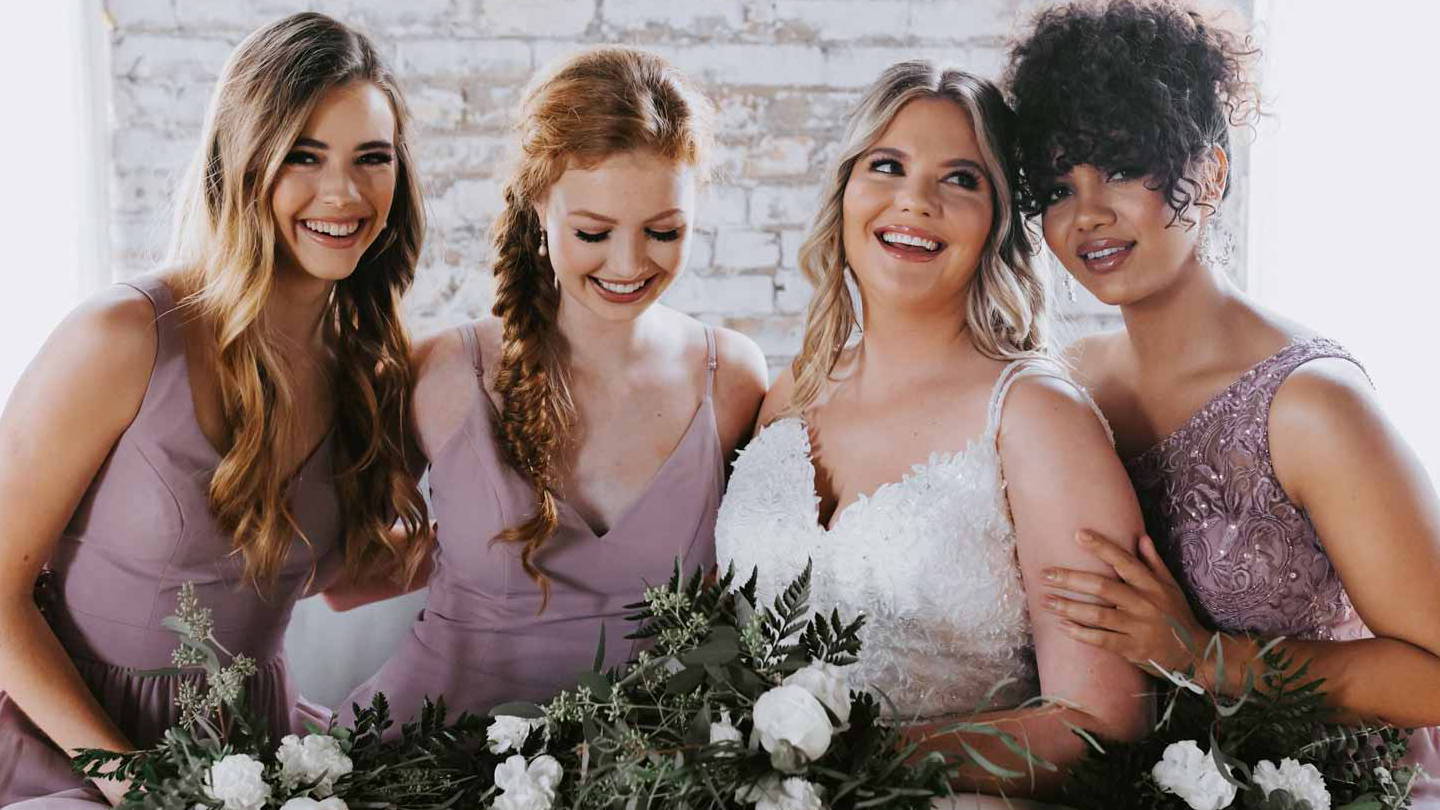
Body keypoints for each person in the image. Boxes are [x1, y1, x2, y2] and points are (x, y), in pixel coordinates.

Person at [1007, 1, 1440, 802]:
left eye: (1121, 168)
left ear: (1209, 174)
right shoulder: (1067, 389)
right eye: (1060, 186)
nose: (1088, 213)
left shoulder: (1310, 406)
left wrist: (1206, 657)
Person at [0, 12, 430, 807]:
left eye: (372, 158)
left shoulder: (370, 372)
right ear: (241, 162)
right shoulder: (124, 336)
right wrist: (134, 787)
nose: (344, 193)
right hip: (67, 748)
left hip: (248, 759)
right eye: (303, 155)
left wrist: (521, 534)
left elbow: (333, 580)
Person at [715, 60, 1148, 807]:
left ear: (997, 222)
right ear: (845, 192)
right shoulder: (790, 394)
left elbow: (1103, 721)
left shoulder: (1036, 417)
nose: (915, 200)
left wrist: (847, 762)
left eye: (960, 179)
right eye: (887, 166)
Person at [330, 46, 768, 726]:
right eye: (593, 232)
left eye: (663, 231)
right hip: (431, 750)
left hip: (645, 764)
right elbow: (339, 580)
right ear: (539, 205)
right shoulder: (443, 370)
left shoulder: (732, 376)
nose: (628, 264)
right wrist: (462, 553)